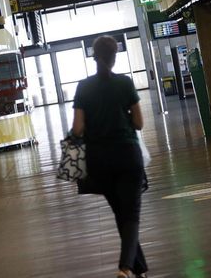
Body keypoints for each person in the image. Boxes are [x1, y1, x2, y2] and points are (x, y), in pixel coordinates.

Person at [71, 36, 148, 278]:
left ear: (94, 57)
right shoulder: (125, 83)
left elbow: (77, 129)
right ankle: (125, 268)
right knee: (131, 216)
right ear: (115, 57)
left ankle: (140, 269)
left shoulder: (83, 87)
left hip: (99, 161)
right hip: (127, 156)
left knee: (121, 215)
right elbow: (139, 123)